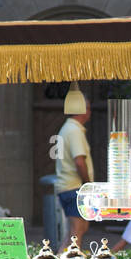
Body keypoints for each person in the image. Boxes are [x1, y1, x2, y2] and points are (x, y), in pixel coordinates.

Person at [54, 85, 93, 243]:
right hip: (74, 187)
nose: (90, 112)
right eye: (89, 108)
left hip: (68, 187)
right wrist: (87, 184)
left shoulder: (67, 128)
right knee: (77, 230)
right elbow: (79, 161)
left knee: (77, 229)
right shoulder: (74, 131)